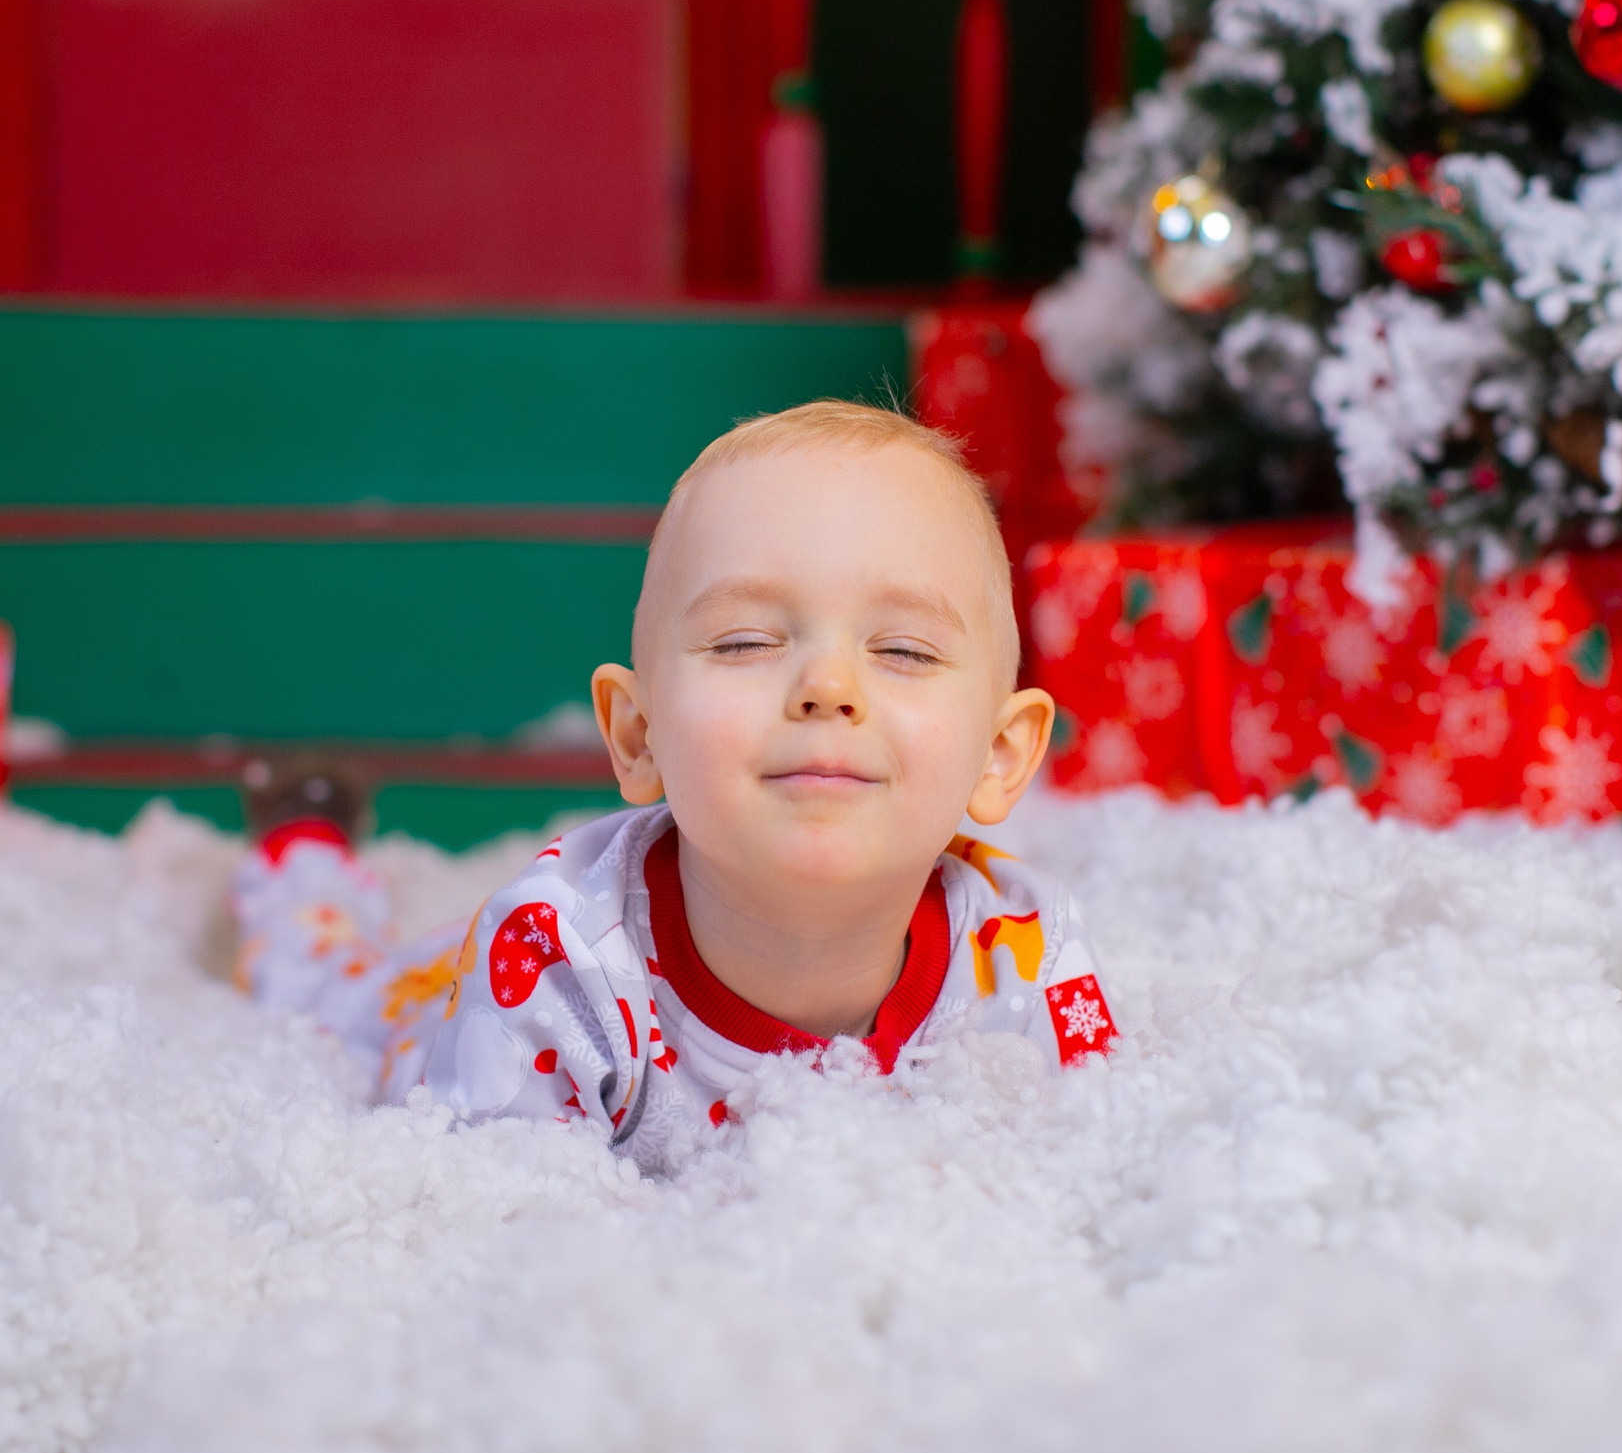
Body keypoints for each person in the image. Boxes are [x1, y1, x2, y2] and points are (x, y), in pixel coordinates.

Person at [236, 401, 1117, 1167]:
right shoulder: (557, 966)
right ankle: (300, 847)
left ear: (1000, 755)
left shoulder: (1024, 962)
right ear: (637, 733)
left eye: (902, 650)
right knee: (322, 972)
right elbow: (490, 1224)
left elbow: (1088, 1172)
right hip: (439, 993)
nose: (829, 687)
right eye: (744, 642)